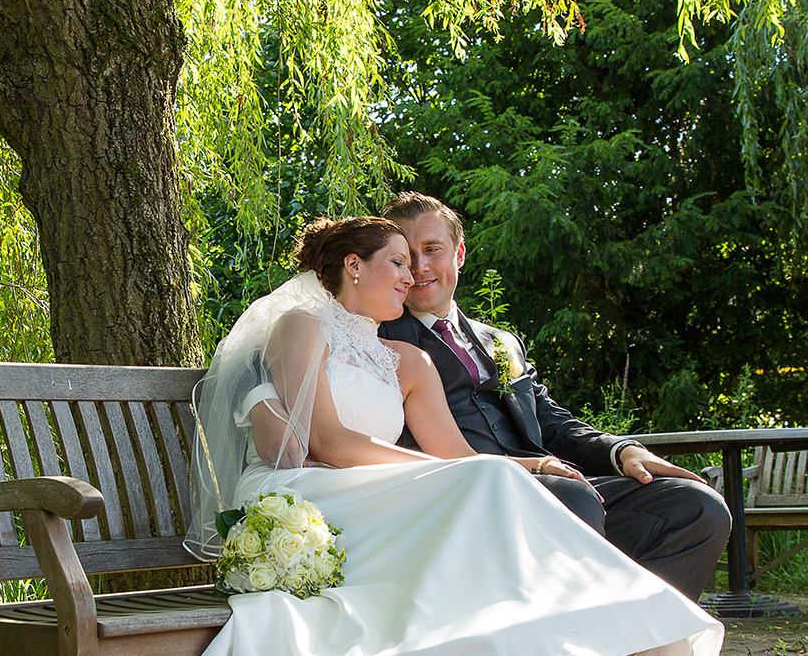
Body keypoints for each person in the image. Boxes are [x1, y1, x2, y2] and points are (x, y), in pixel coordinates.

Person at [188, 216, 722, 656]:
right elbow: (324, 442)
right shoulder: (303, 326)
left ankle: (618, 632)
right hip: (321, 486)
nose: (411, 273)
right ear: (354, 266)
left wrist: (543, 462)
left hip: (410, 482)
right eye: (398, 261)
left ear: (458, 253)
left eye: (424, 255)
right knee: (513, 488)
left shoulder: (408, 359)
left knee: (693, 505)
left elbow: (460, 453)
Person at [375, 192, 730, 600]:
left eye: (432, 250)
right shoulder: (379, 339)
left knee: (699, 507)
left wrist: (622, 451)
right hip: (463, 498)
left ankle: (633, 637)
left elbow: (549, 419)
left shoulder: (500, 341)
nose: (420, 266)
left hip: (556, 485)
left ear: (458, 255)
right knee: (571, 498)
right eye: (406, 254)